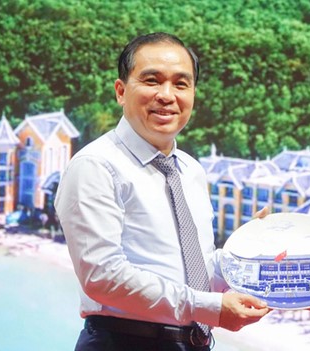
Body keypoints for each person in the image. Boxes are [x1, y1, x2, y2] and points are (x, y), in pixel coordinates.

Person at [55, 32, 269, 351]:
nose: (167, 95)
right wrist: (209, 307)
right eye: (152, 80)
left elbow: (196, 271)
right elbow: (102, 276)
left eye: (181, 84)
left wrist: (247, 250)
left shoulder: (191, 170)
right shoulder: (96, 165)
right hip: (123, 343)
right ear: (121, 91)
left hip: (195, 343)